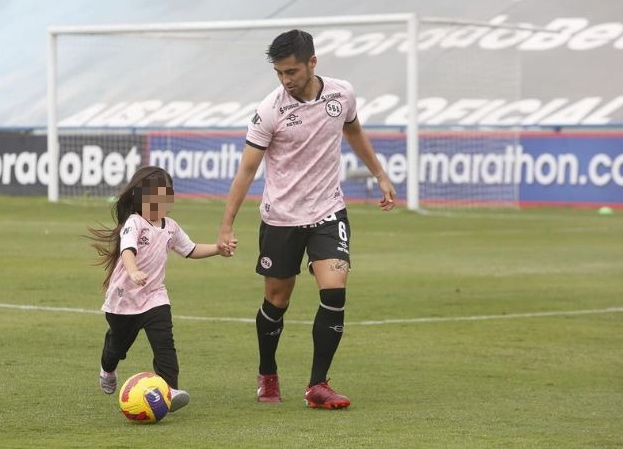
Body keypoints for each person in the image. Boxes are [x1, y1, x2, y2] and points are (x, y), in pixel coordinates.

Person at [217, 29, 396, 409]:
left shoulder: (341, 94)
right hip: (281, 218)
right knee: (277, 301)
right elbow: (247, 170)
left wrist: (379, 174)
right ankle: (268, 374)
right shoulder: (270, 110)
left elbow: (355, 132)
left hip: (328, 211)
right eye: (280, 73)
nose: (286, 80)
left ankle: (318, 384)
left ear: (312, 63)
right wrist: (227, 224)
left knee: (334, 291)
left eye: (292, 71)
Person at [88, 165, 236, 413]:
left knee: (164, 342)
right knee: (117, 347)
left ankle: (169, 390)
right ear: (140, 197)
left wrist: (218, 249)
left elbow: (190, 249)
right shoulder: (134, 223)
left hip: (155, 296)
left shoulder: (171, 227)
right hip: (123, 300)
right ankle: (107, 369)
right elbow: (127, 250)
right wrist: (133, 271)